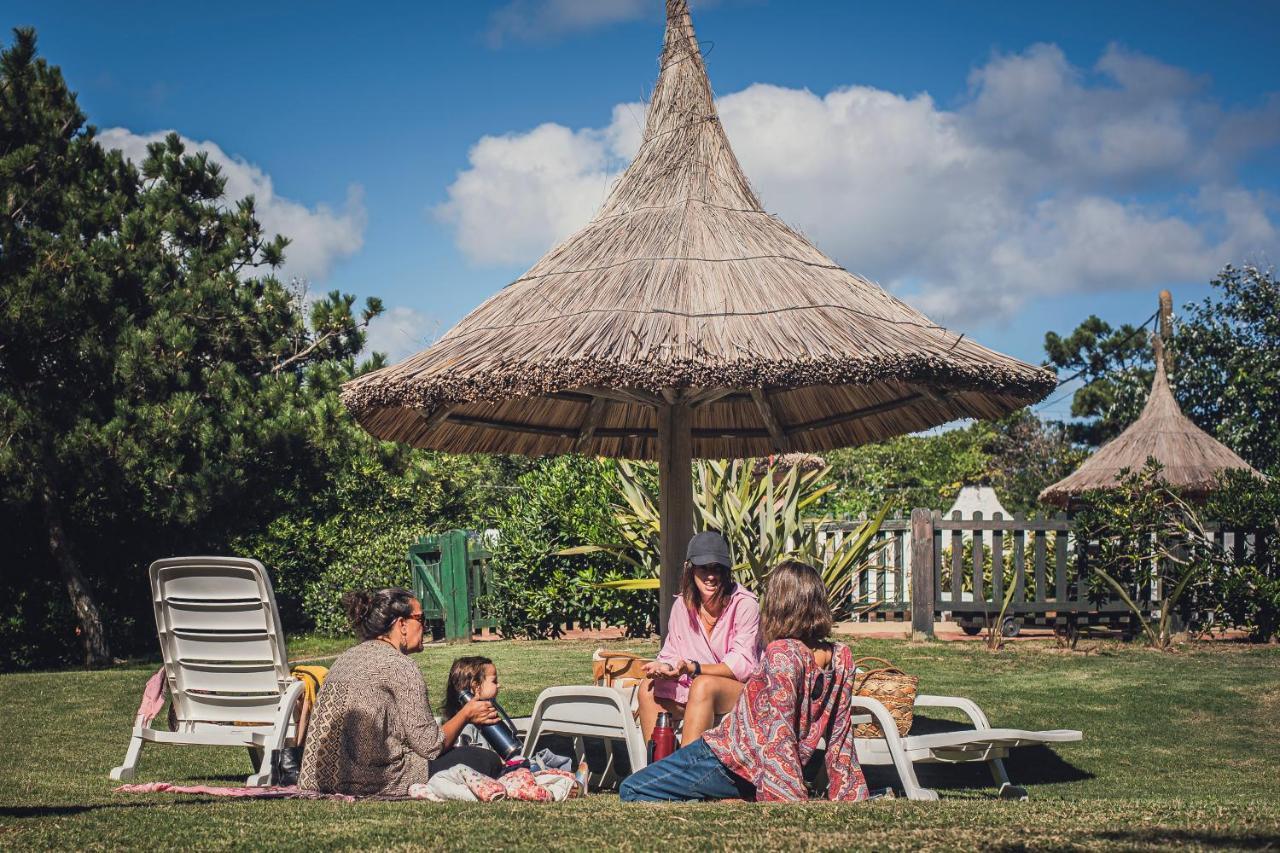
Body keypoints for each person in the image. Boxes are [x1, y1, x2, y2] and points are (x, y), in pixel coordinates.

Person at [620, 560, 870, 802]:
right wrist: (850, 793)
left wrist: (787, 796)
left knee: (631, 788)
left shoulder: (782, 653)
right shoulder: (841, 655)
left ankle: (711, 796)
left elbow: (779, 737)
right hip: (745, 766)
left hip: (728, 759)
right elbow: (841, 735)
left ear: (780, 604)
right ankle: (725, 796)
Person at [298, 588, 504, 796]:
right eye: (421, 619)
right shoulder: (400, 666)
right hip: (371, 781)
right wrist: (467, 713)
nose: (426, 627)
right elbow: (431, 746)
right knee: (486, 760)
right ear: (402, 624)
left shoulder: (344, 659)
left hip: (318, 779)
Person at [638, 531, 760, 745]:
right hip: (693, 689)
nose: (710, 576)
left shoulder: (745, 604)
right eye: (704, 568)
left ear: (726, 571)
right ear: (690, 569)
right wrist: (664, 666)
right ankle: (656, 768)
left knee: (703, 685)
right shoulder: (681, 606)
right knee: (647, 688)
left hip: (740, 691)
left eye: (717, 568)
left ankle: (686, 771)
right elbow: (671, 652)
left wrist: (693, 668)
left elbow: (742, 666)